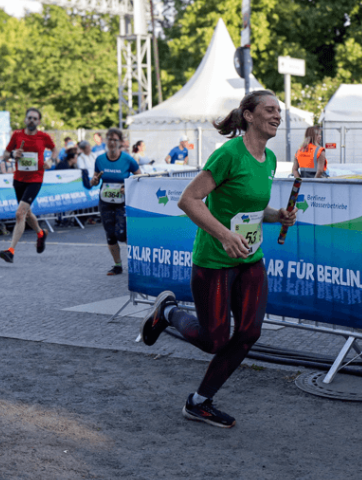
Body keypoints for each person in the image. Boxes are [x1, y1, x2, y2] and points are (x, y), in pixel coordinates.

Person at [140, 90, 297, 428]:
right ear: (249, 115)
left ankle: (199, 401)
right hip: (215, 260)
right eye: (269, 110)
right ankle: (167, 312)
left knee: (249, 332)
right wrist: (225, 235)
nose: (277, 116)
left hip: (250, 259)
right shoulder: (228, 154)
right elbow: (189, 200)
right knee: (214, 340)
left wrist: (277, 216)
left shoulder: (268, 159)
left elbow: (251, 210)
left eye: (279, 112)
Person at [0, 107, 57, 263]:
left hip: (35, 179)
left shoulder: (43, 137)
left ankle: (10, 251)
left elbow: (55, 149)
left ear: (38, 121)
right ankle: (40, 233)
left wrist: (51, 160)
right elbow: (5, 154)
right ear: (25, 119)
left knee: (19, 214)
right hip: (19, 179)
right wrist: (12, 154)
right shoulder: (17, 135)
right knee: (27, 213)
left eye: (35, 118)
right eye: (29, 117)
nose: (32, 120)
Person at [90, 128, 140, 275]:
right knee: (110, 234)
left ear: (120, 143)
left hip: (122, 202)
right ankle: (117, 265)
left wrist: (128, 185)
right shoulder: (100, 159)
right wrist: (94, 180)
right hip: (105, 201)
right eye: (109, 139)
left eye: (115, 139)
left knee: (122, 233)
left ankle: (136, 262)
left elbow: (140, 177)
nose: (112, 142)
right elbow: (94, 180)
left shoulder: (128, 160)